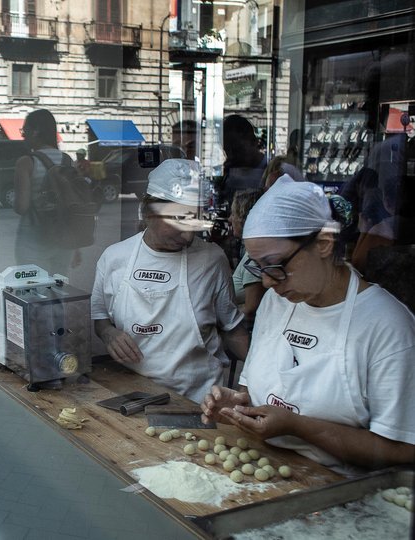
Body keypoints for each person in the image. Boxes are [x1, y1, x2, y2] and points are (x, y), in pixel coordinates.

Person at [201, 176, 415, 475]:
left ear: (324, 244)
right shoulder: (275, 303)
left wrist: (297, 427)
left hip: (338, 493)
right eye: (258, 267)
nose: (266, 281)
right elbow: (252, 392)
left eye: (276, 266)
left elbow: (402, 449)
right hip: (260, 472)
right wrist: (237, 405)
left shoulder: (387, 326)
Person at [91, 159, 249, 403]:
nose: (188, 234)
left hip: (199, 399)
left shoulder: (212, 260)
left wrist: (258, 378)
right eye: (178, 220)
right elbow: (100, 318)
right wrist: (109, 334)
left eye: (195, 220)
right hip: (132, 394)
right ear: (148, 212)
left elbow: (232, 329)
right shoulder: (114, 258)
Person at [14, 109, 80, 275]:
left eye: (25, 130)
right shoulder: (67, 161)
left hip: (32, 241)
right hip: (63, 240)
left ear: (35, 131)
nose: (23, 135)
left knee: (32, 295)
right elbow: (74, 205)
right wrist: (76, 246)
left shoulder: (26, 162)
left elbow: (21, 207)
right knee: (58, 294)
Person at [228, 189, 265, 327]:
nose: (230, 219)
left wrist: (221, 317)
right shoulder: (250, 253)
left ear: (244, 218)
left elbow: (251, 309)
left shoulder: (254, 259)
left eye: (233, 214)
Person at [221, 115, 267, 204]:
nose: (231, 156)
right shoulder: (231, 172)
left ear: (254, 142)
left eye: (237, 150)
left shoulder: (271, 169)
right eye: (227, 150)